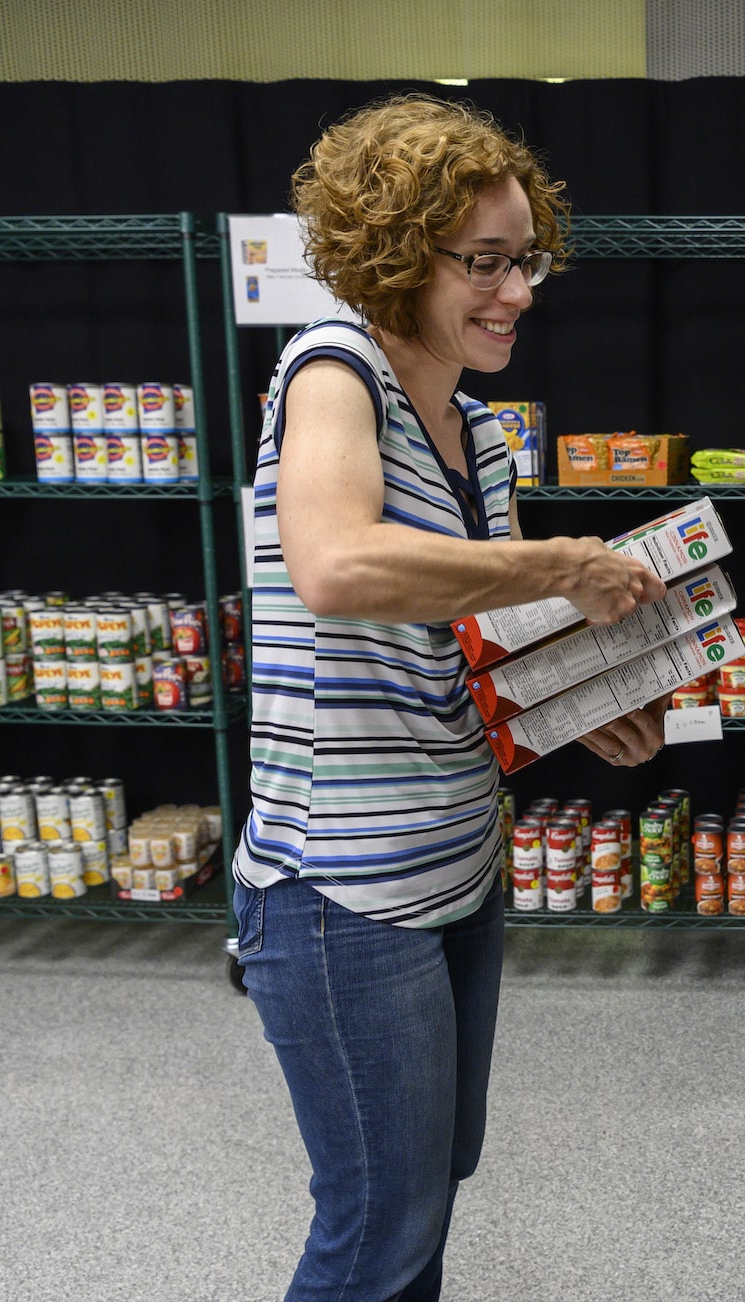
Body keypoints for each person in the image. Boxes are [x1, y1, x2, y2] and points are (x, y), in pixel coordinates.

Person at [230, 94, 668, 1300]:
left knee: (428, 1189)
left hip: (458, 865)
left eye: (524, 259)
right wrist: (564, 565)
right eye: (483, 263)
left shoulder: (478, 435)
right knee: (377, 1222)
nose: (517, 290)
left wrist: (578, 703)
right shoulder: (332, 372)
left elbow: (489, 642)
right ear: (391, 256)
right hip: (342, 896)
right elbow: (337, 567)